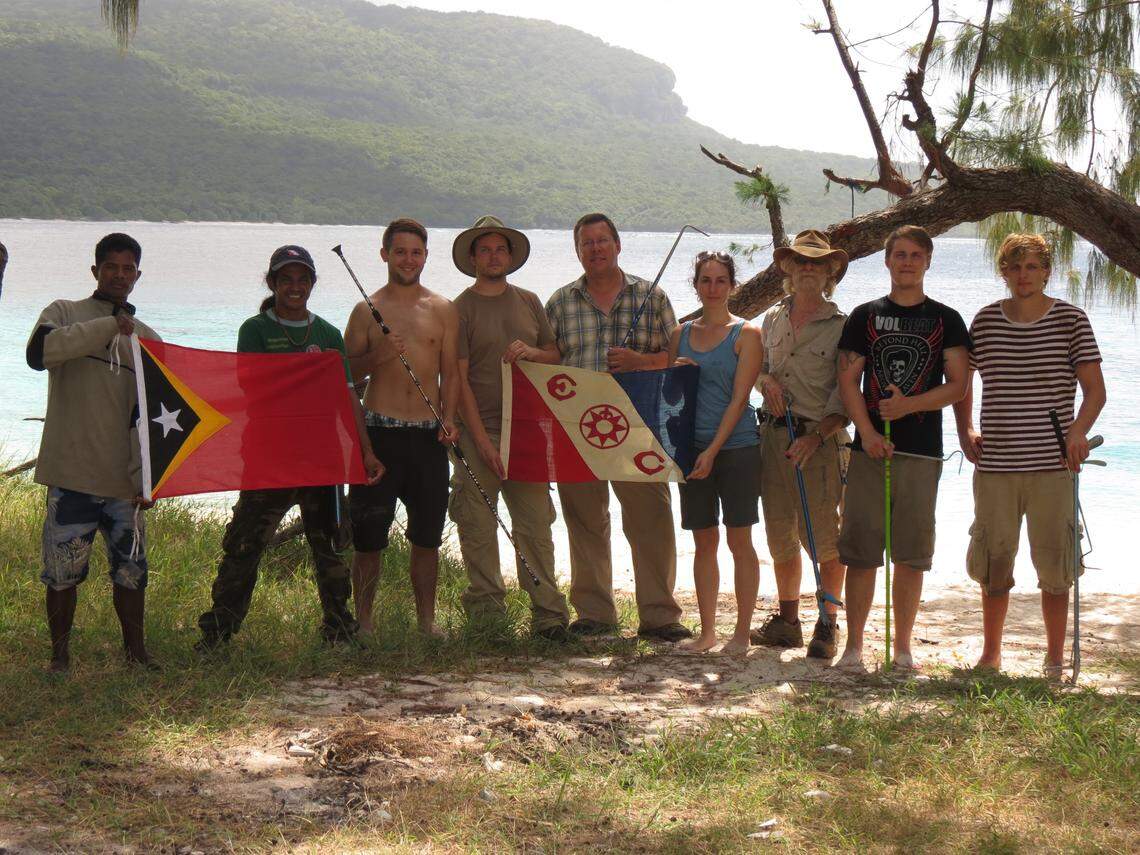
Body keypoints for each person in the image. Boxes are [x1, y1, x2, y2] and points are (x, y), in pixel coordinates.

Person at [196, 246, 383, 649]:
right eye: (286, 280)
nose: (295, 288)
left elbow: (347, 398)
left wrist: (365, 452)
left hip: (323, 460)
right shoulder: (255, 330)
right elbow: (252, 389)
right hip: (268, 459)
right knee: (245, 546)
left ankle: (339, 630)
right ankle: (218, 634)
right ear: (272, 284)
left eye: (302, 280)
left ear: (312, 285)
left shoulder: (329, 334)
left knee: (331, 550)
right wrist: (303, 376)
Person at [954, 233, 1105, 678]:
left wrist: (1078, 431)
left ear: (1047, 271)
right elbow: (963, 383)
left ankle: (1055, 658)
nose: (1024, 275)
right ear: (1005, 272)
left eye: (1033, 266)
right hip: (996, 463)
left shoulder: (1071, 320)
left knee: (1055, 565)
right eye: (1016, 267)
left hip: (1052, 466)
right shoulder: (984, 321)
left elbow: (1095, 392)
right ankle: (991, 655)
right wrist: (965, 428)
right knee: (994, 562)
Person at [545, 212, 691, 641]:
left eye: (602, 240)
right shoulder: (559, 302)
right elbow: (552, 358)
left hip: (640, 428)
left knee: (651, 521)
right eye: (587, 243)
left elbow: (678, 358)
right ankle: (594, 613)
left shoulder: (652, 296)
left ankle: (660, 616)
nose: (595, 249)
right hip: (579, 427)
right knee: (585, 521)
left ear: (617, 245)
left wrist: (640, 362)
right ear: (577, 251)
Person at [835, 225, 971, 671]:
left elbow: (958, 386)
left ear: (928, 261)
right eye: (899, 255)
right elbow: (847, 382)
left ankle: (903, 648)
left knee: (911, 553)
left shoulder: (946, 320)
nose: (907, 262)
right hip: (869, 450)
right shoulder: (864, 316)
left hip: (921, 451)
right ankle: (853, 646)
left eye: (916, 255)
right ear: (887, 261)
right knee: (861, 550)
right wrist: (868, 433)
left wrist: (909, 404)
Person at [25, 232, 159, 671]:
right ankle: (59, 658)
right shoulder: (63, 313)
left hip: (123, 481)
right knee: (62, 577)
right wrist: (108, 325)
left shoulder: (147, 338)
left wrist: (151, 478)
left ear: (137, 275)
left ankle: (136, 654)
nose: (120, 275)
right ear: (95, 271)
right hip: (72, 475)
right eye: (111, 267)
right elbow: (39, 353)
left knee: (132, 573)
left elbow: (158, 417)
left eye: (128, 269)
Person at [449, 216, 572, 640]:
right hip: (477, 429)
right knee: (478, 525)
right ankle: (487, 619)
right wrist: (480, 442)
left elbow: (555, 355)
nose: (493, 256)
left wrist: (534, 353)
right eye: (485, 250)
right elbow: (457, 379)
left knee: (536, 525)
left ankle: (549, 616)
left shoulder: (529, 300)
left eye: (500, 249)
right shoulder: (459, 309)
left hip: (529, 431)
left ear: (511, 256)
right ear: (472, 257)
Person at [346, 218, 460, 637]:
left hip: (428, 436)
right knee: (369, 538)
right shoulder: (365, 310)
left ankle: (427, 623)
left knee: (427, 537)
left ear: (426, 256)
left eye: (416, 252)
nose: (408, 260)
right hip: (380, 434)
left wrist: (450, 419)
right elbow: (345, 378)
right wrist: (377, 354)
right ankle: (364, 622)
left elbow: (452, 375)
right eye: (400, 252)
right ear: (384, 255)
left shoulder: (444, 309)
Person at [751, 230, 850, 659]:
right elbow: (755, 371)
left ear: (831, 271)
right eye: (801, 261)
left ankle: (828, 623)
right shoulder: (772, 319)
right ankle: (788, 622)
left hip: (819, 442)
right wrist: (764, 380)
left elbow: (847, 395)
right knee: (780, 536)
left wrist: (816, 436)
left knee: (826, 539)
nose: (809, 268)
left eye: (818, 262)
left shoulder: (843, 325)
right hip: (772, 437)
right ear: (788, 268)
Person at [667, 251, 762, 653]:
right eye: (705, 280)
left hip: (737, 447)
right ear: (696, 285)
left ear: (732, 286)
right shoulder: (680, 334)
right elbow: (672, 399)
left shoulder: (747, 335)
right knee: (703, 541)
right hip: (691, 448)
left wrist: (714, 450)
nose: (712, 288)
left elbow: (740, 400)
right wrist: (681, 372)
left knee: (739, 540)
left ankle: (741, 634)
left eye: (720, 280)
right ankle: (707, 633)